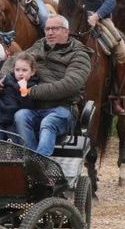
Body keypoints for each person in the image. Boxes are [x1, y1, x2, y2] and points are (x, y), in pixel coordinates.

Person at [14, 16, 90, 155]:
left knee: (49, 122)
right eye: (47, 29)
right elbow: (16, 60)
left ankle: (41, 162)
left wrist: (32, 91)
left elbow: (70, 85)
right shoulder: (39, 45)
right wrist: (1, 77)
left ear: (67, 31)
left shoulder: (79, 54)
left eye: (55, 29)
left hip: (63, 109)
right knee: (20, 115)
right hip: (35, 108)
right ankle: (31, 161)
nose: (50, 33)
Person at [0, 53, 38, 144]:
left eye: (24, 70)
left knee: (13, 143)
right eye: (17, 70)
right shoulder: (6, 80)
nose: (20, 73)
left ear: (32, 72)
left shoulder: (33, 86)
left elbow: (29, 107)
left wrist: (24, 90)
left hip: (13, 121)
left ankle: (13, 157)